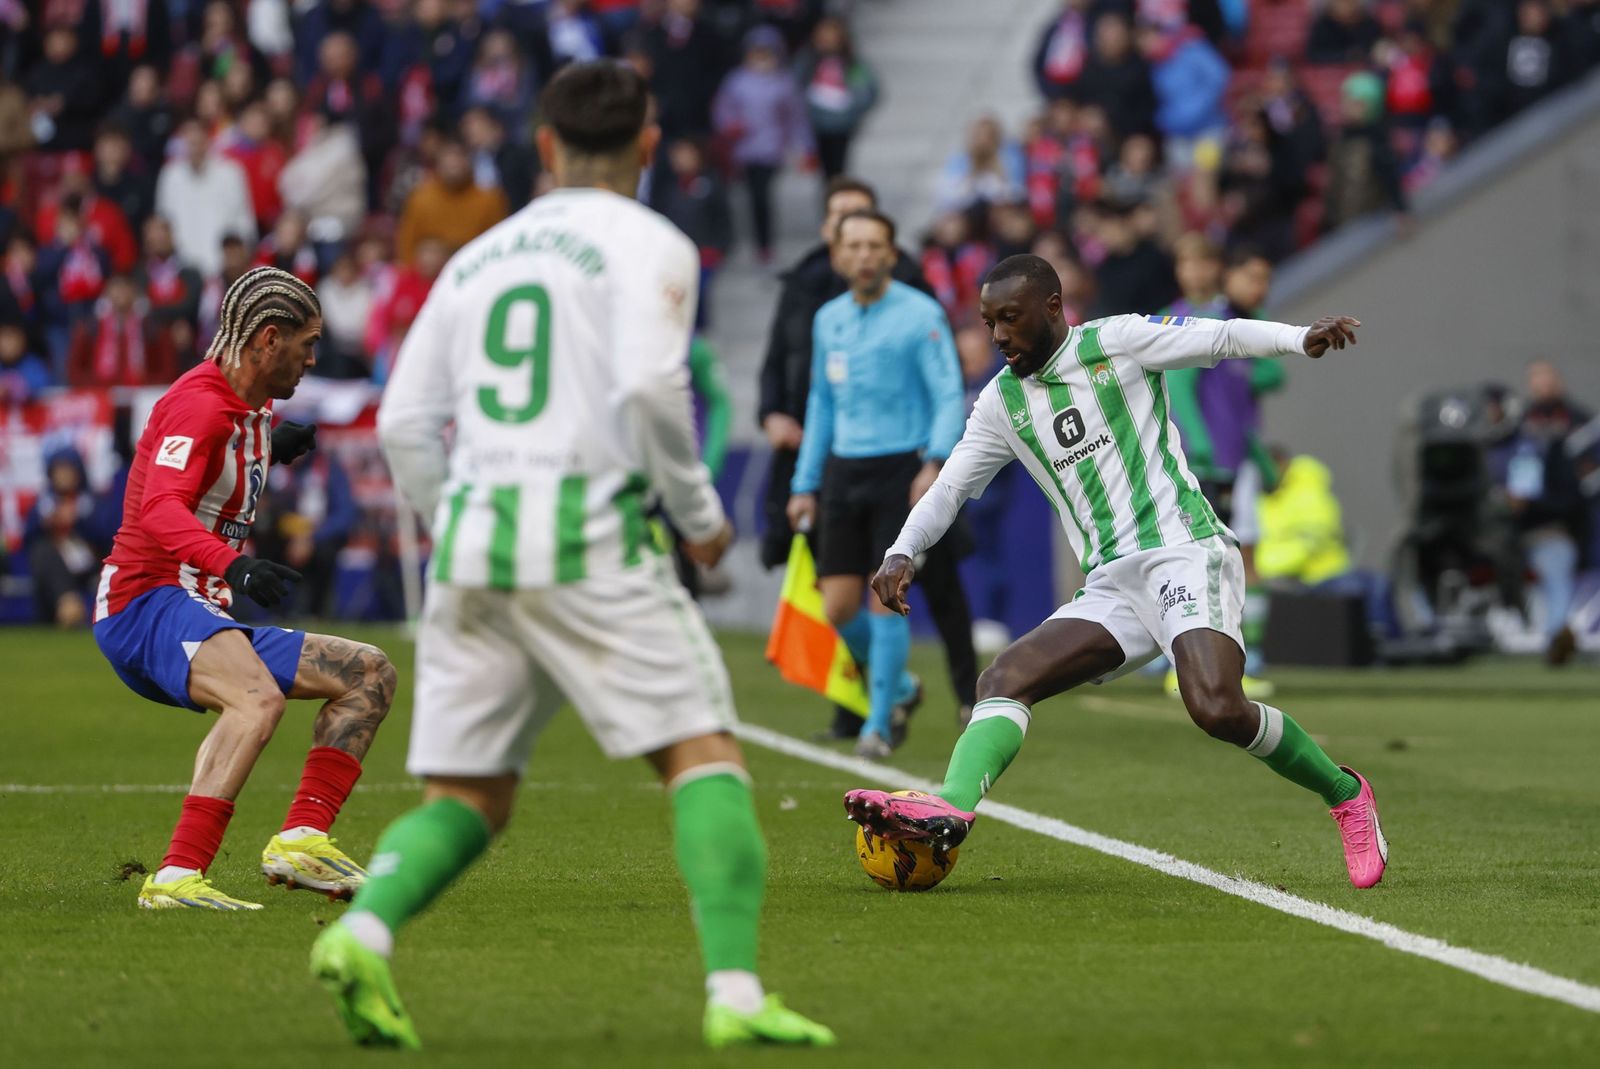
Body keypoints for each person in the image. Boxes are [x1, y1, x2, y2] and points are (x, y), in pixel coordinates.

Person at [316, 61, 833, 1052]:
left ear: (544, 149)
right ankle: (732, 989)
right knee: (700, 752)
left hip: (474, 540)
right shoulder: (655, 243)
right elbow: (648, 390)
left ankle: (363, 928)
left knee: (471, 795)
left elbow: (405, 424)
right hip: (590, 535)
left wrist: (457, 515)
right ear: (647, 146)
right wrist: (697, 513)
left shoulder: (475, 257)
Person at [844, 254, 1389, 891]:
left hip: (1184, 549)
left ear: (1053, 308)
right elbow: (950, 488)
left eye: (1011, 319)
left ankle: (1346, 793)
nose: (998, 336)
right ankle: (952, 808)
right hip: (1112, 584)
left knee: (1216, 707)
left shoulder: (1117, 340)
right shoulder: (1000, 403)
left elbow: (1216, 336)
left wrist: (1297, 339)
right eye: (989, 321)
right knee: (1004, 677)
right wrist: (902, 552)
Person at [90, 265, 398, 912]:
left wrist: (269, 446)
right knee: (257, 698)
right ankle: (177, 876)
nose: (313, 359)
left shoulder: (242, 406)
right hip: (145, 602)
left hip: (195, 606)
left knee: (368, 673)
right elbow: (160, 510)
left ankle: (304, 837)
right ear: (266, 339)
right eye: (305, 344)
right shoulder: (200, 404)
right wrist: (234, 566)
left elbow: (222, 448)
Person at [759, 177, 981, 736]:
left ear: (890, 254)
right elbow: (821, 405)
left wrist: (933, 462)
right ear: (837, 254)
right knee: (836, 606)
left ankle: (878, 726)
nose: (862, 256)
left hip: (901, 469)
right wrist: (804, 484)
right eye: (852, 246)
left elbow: (944, 393)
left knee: (887, 599)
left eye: (873, 247)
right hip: (842, 471)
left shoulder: (921, 313)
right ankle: (902, 686)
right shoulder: (826, 319)